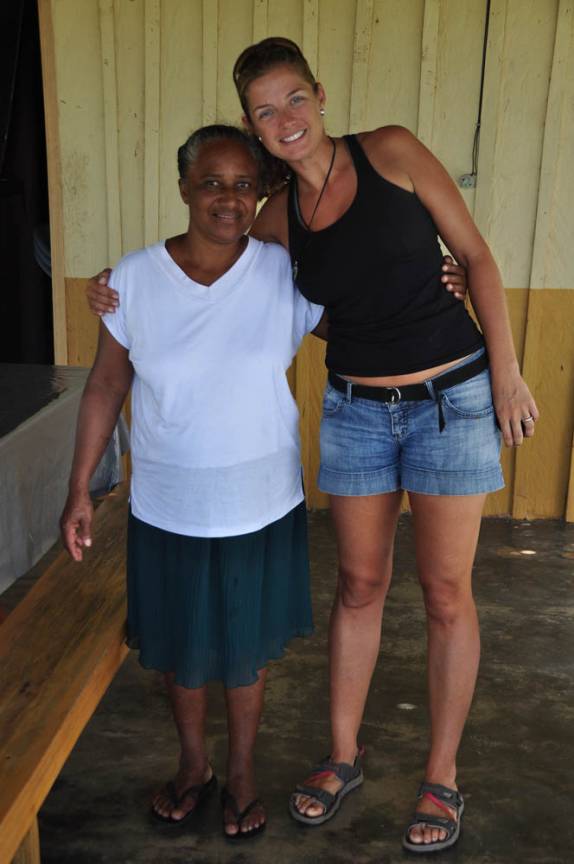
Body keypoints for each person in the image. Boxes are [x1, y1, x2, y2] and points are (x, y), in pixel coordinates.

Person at [85, 36, 539, 854]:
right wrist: (116, 289)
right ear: (257, 132)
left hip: (452, 400)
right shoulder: (276, 219)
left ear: (319, 95)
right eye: (265, 111)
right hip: (358, 409)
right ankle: (340, 755)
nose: (283, 119)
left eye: (293, 99)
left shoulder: (392, 151)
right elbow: (222, 277)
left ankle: (442, 774)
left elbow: (473, 255)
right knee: (360, 585)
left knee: (445, 593)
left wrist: (506, 375)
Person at [60, 124, 325, 840]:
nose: (229, 199)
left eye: (245, 184)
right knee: (180, 649)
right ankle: (191, 766)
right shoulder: (133, 280)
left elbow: (369, 307)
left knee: (242, 651)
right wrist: (80, 486)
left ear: (261, 194)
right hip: (169, 504)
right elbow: (104, 387)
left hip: (259, 501)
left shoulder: (283, 272)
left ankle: (238, 771)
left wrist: (445, 280)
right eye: (212, 182)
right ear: (183, 189)